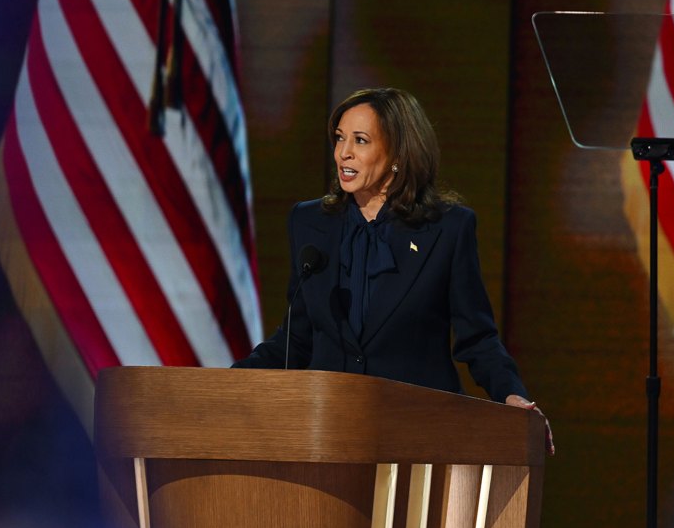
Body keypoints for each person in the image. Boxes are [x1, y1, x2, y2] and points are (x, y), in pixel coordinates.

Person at [233, 87, 553, 454]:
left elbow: (477, 338)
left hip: (416, 436)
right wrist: (230, 383)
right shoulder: (309, 223)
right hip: (328, 437)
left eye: (360, 140)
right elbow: (297, 337)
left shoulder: (447, 229)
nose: (343, 153)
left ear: (398, 154)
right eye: (339, 138)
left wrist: (511, 394)